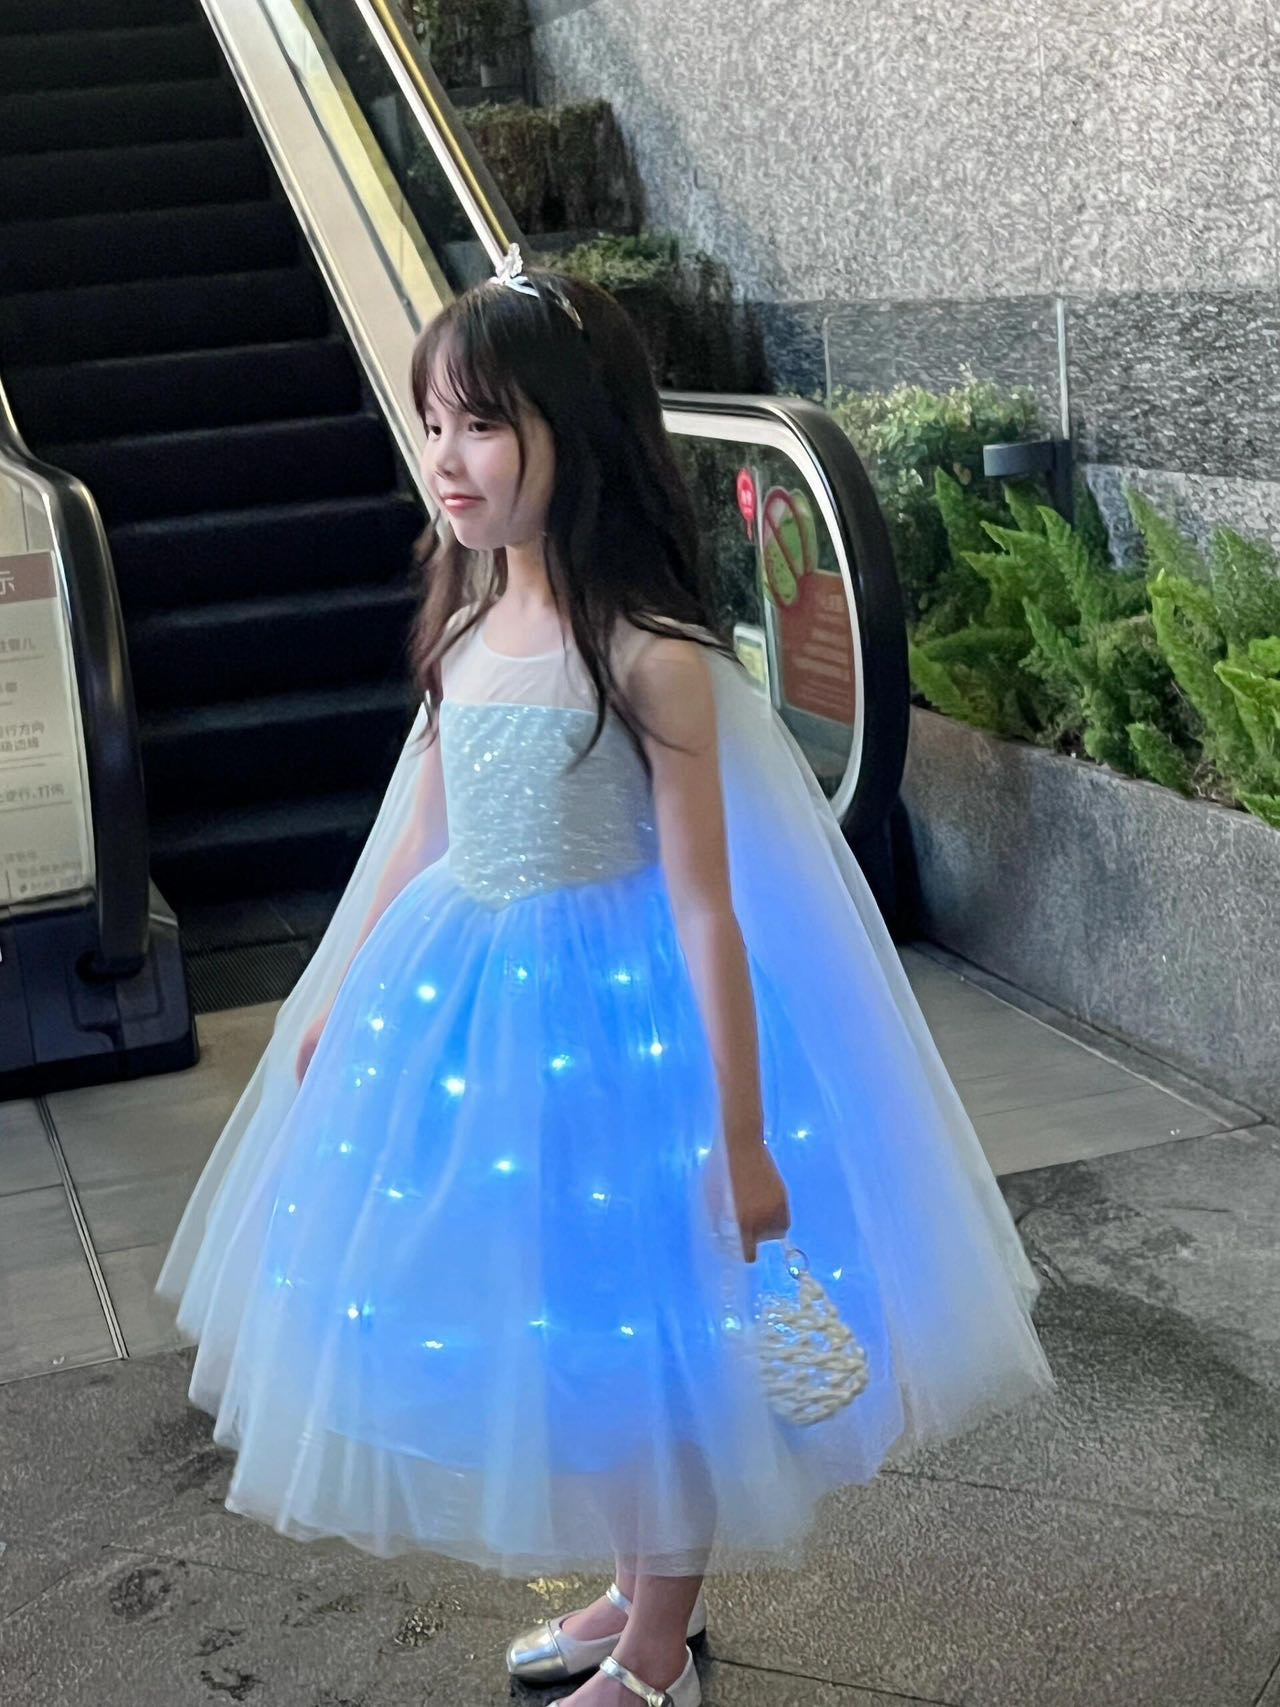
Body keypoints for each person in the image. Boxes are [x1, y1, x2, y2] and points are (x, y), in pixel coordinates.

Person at [155, 248, 1053, 1707]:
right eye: (434, 422)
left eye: (484, 425)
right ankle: (634, 1591)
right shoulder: (462, 626)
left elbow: (706, 906)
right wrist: (340, 991)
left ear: (580, 440)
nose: (448, 458)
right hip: (476, 1013)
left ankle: (657, 1648)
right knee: (576, 1319)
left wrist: (742, 1133)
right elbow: (423, 835)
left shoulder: (652, 656)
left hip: (630, 1030)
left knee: (660, 1337)